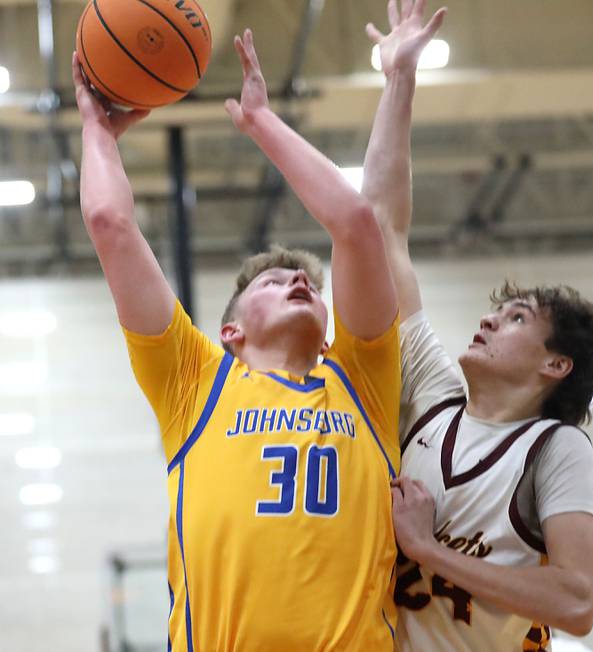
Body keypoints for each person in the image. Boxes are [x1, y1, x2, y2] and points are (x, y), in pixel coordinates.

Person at [74, 28, 401, 652]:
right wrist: (96, 129)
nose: (300, 280)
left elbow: (357, 225)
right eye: (276, 282)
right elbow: (110, 224)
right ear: (229, 332)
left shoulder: (363, 379)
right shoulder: (195, 381)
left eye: (304, 280)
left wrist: (262, 123)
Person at [361, 1, 593, 649]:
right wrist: (398, 83)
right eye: (497, 310)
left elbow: (579, 603)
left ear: (555, 364)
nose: (489, 318)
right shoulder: (434, 395)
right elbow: (382, 227)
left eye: (516, 318)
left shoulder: (555, 450)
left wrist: (428, 549)